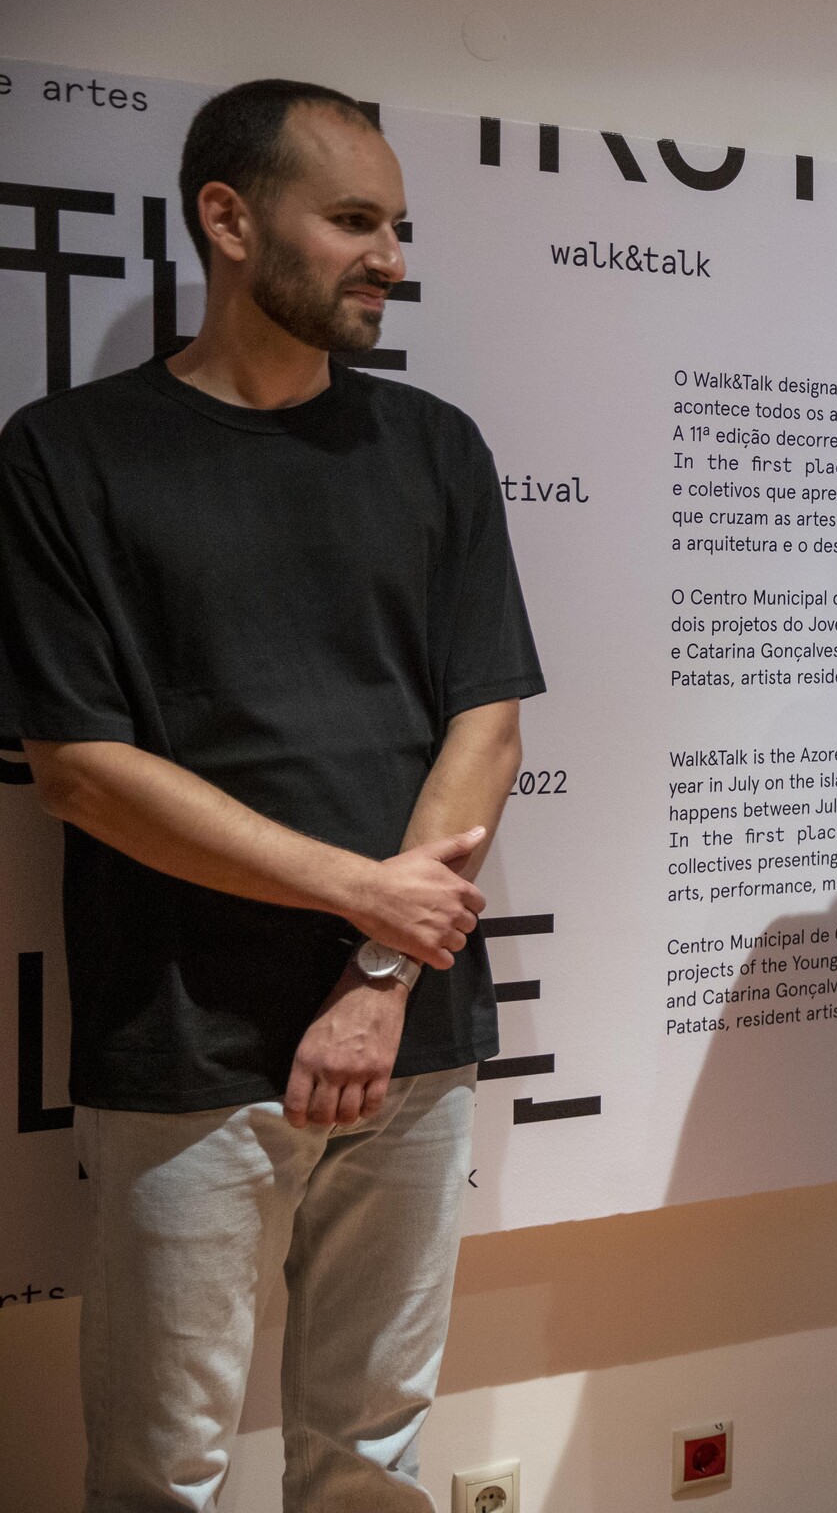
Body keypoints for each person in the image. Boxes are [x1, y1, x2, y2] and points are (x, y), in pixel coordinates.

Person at [0, 80, 543, 1510]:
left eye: (399, 227)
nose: (391, 259)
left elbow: (487, 730)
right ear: (228, 220)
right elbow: (81, 770)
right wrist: (367, 894)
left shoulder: (434, 447)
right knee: (159, 1473)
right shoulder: (67, 454)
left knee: (372, 1458)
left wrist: (378, 970)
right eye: (355, 220)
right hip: (183, 1038)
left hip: (409, 1034)